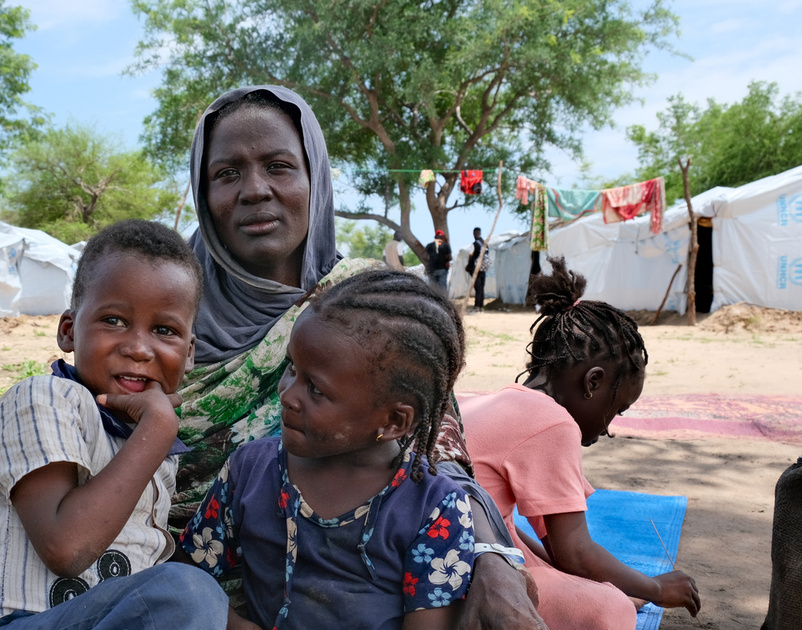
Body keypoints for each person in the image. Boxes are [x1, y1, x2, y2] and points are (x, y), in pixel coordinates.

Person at [176, 84, 546, 629]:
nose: (254, 190)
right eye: (226, 173)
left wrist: (493, 558)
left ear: (315, 177)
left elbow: (436, 452)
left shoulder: (366, 308)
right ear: (202, 191)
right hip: (183, 578)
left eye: (278, 166)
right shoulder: (158, 309)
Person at [0, 220, 228, 630]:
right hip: (9, 624)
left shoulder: (141, 435)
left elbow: (146, 552)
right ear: (68, 330)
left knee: (196, 592)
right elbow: (66, 547)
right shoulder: (41, 400)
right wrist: (157, 431)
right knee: (188, 592)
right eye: (114, 321)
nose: (138, 348)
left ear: (190, 353)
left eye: (164, 330)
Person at [181, 270, 489, 629]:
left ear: (394, 422)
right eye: (292, 369)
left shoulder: (434, 508)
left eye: (315, 389)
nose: (287, 395)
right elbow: (189, 584)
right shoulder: (249, 471)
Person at [460, 256, 702, 630]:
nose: (609, 428)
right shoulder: (551, 421)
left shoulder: (495, 401)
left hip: (440, 544)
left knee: (586, 584)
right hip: (460, 567)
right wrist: (654, 587)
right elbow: (575, 553)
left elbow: (534, 541)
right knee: (610, 611)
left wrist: (594, 579)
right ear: (593, 382)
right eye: (616, 409)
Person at [465, 227, 489, 311]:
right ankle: (481, 306)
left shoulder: (474, 244)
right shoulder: (485, 244)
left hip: (476, 269)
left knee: (478, 287)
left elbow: (471, 256)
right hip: (483, 269)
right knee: (481, 287)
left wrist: (468, 266)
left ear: (475, 234)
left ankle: (477, 306)